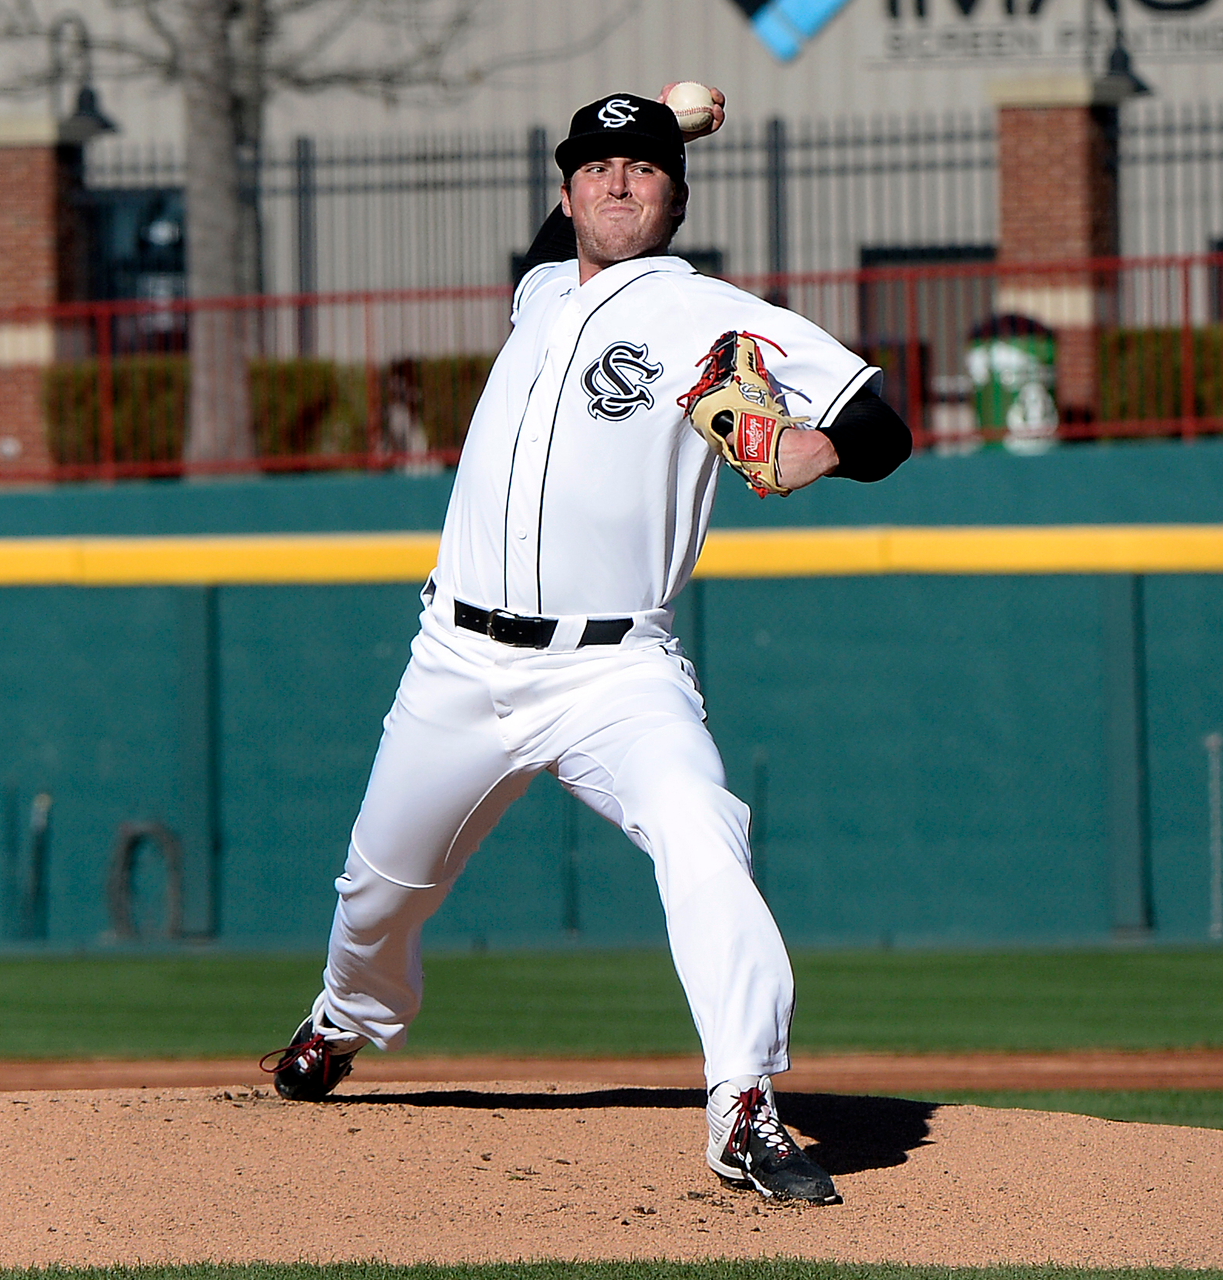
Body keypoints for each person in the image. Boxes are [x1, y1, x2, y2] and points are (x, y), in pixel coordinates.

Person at [261, 88, 911, 1204]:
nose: (617, 180)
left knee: (702, 830)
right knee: (378, 889)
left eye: (642, 167)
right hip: (456, 660)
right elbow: (548, 241)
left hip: (613, 669)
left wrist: (816, 452)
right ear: (564, 196)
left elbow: (879, 426)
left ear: (676, 199)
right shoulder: (540, 293)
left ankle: (743, 1101)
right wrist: (663, 120)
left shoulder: (708, 314)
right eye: (596, 167)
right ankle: (346, 1014)